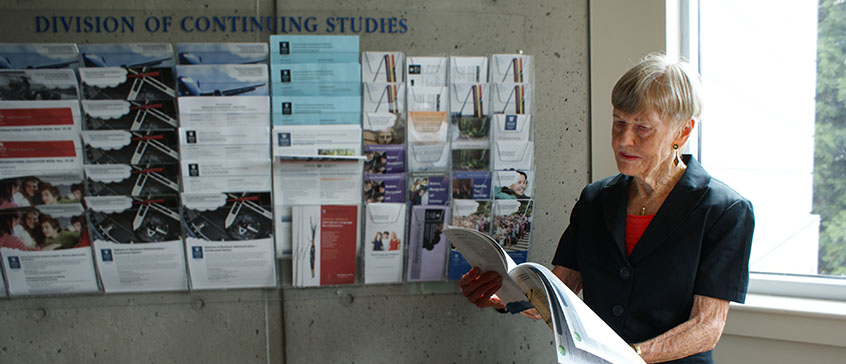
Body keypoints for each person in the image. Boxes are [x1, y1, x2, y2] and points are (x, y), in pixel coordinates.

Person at [459, 53, 754, 364]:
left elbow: (707, 326)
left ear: (682, 132)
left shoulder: (724, 211)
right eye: (618, 122)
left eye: (642, 128)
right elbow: (559, 299)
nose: (623, 140)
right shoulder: (595, 200)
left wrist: (631, 356)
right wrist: (501, 297)